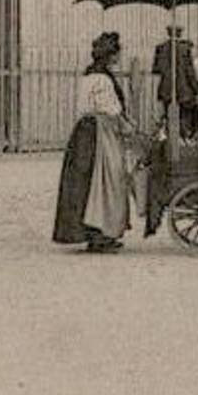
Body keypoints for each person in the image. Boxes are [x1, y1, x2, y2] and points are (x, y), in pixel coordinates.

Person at [53, 31, 135, 253]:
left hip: (85, 132)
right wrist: (128, 127)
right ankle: (100, 235)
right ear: (111, 55)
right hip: (100, 133)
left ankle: (95, 234)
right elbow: (111, 111)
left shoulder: (89, 76)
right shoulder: (103, 79)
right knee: (107, 182)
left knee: (86, 184)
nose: (120, 56)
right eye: (118, 52)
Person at [152, 25, 198, 139]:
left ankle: (170, 141)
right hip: (184, 89)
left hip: (166, 89)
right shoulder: (185, 48)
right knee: (183, 118)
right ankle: (182, 142)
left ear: (168, 33)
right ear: (180, 33)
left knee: (169, 117)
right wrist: (196, 89)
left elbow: (156, 69)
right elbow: (189, 71)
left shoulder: (160, 48)